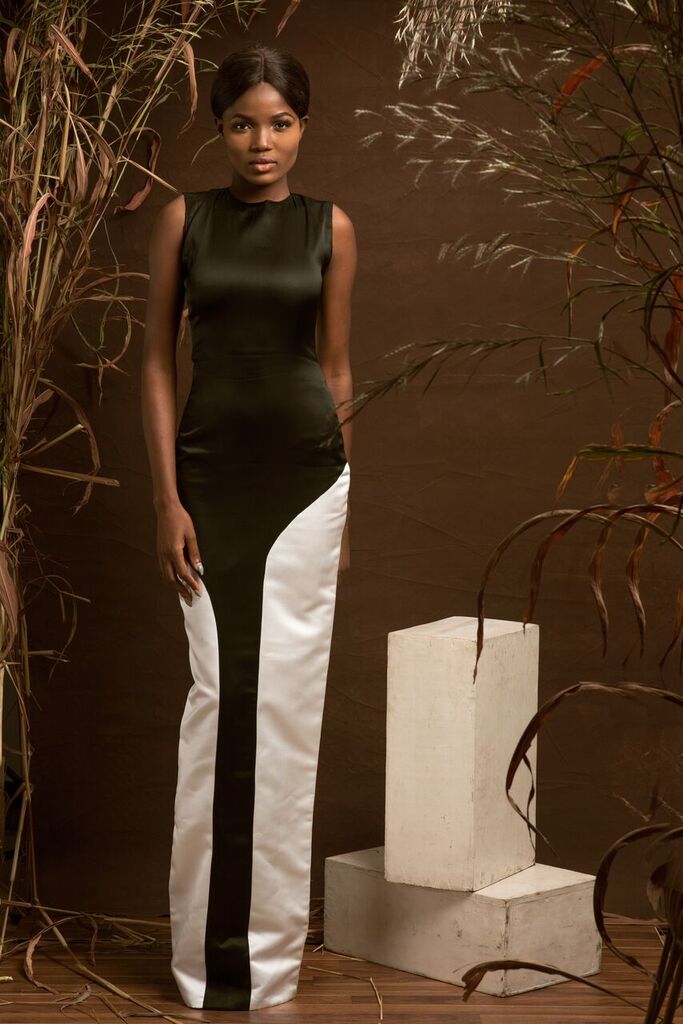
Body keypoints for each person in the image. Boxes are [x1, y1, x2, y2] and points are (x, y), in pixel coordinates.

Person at [140, 42, 356, 1012]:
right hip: (210, 484)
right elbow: (155, 363)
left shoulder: (329, 227)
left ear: (301, 126)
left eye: (279, 123)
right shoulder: (183, 220)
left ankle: (267, 965)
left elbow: (337, 368)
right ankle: (205, 958)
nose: (261, 142)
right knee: (219, 701)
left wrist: (346, 503)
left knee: (286, 713)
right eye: (241, 123)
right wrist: (166, 500)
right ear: (219, 128)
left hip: (306, 483)